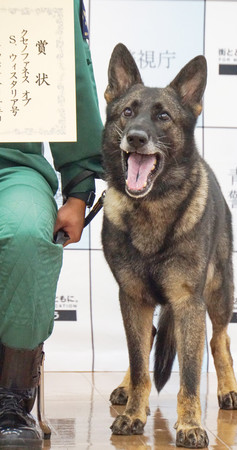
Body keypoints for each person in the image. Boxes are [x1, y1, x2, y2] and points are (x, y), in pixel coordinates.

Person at [0, 0, 104, 446]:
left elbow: (73, 81)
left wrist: (79, 189)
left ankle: (11, 397)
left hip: (13, 165)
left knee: (26, 233)